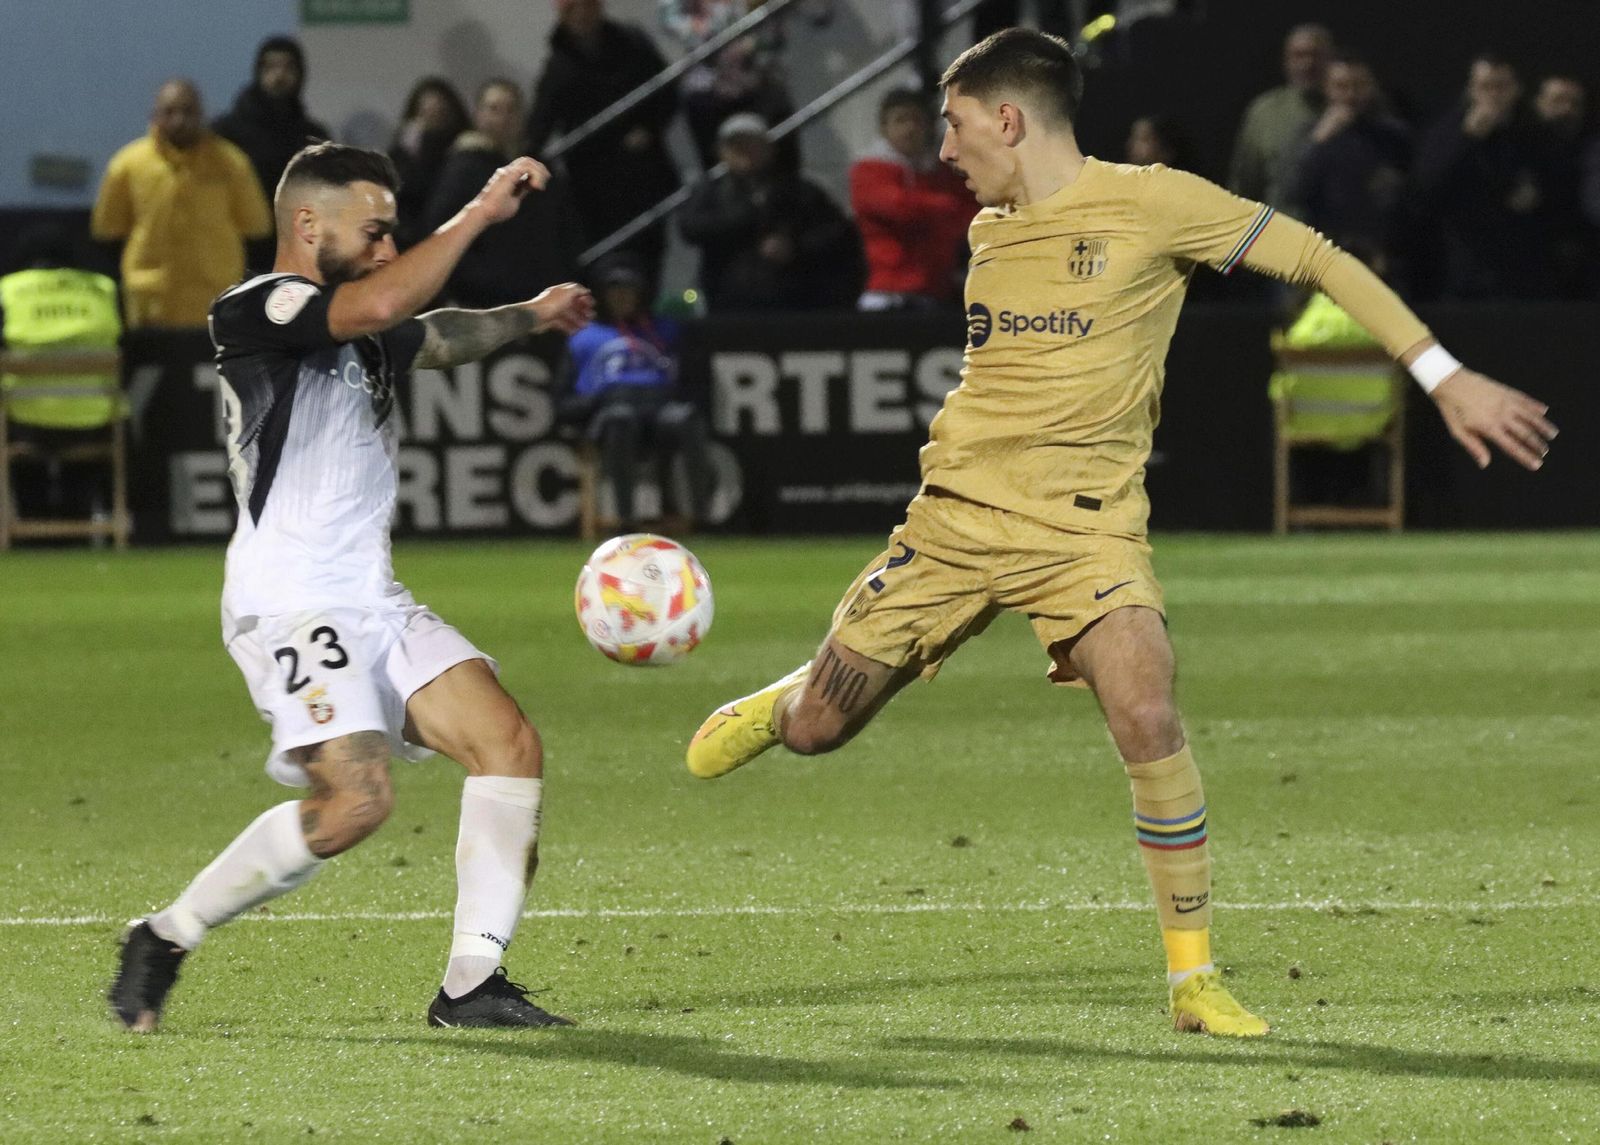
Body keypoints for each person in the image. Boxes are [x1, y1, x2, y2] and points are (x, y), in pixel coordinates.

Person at [684, 28, 1557, 1039]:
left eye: (955, 125)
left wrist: (1442, 376)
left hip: (1086, 533)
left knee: (1147, 709)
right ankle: (789, 695)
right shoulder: (987, 234)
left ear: (1008, 120)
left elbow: (1317, 257)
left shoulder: (1154, 203)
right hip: (957, 521)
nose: (944, 149)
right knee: (818, 732)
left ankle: (1193, 980)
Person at [106, 142, 595, 1033]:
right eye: (372, 230)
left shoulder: (362, 329)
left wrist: (529, 314)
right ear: (307, 225)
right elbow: (387, 300)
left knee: (509, 742)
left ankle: (471, 983)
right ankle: (165, 935)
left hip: (370, 593)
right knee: (356, 803)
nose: (383, 247)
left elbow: (438, 334)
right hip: (291, 598)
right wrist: (481, 211)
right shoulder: (258, 307)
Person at [525, 0, 682, 292]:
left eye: (588, 7)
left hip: (643, 173)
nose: (582, 15)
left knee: (647, 252)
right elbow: (541, 122)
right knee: (599, 260)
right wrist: (523, 165)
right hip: (592, 185)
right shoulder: (559, 63)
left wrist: (648, 128)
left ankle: (643, 328)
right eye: (573, 9)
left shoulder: (633, 45)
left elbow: (666, 91)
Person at [91, 79, 273, 329]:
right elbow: (107, 230)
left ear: (201, 114)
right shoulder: (128, 166)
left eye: (188, 111)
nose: (179, 120)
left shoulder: (231, 164)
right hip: (151, 302)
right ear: (154, 115)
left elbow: (257, 227)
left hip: (215, 301)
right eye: (169, 112)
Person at [562, 255, 715, 530]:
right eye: (614, 291)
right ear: (603, 295)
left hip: (659, 411)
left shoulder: (664, 330)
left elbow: (694, 383)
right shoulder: (583, 337)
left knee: (687, 417)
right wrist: (598, 401)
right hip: (611, 414)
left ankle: (701, 517)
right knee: (621, 419)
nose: (621, 297)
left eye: (628, 291)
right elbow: (561, 403)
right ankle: (626, 519)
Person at [424, 79, 585, 308]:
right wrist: (474, 285)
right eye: (494, 109)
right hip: (485, 305)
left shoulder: (541, 166)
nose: (503, 118)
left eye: (511, 109)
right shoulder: (462, 168)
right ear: (478, 115)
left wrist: (563, 277)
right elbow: (441, 232)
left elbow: (567, 225)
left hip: (544, 301)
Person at [679, 113, 862, 312]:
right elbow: (691, 228)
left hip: (794, 302)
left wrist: (794, 247)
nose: (744, 152)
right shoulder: (711, 192)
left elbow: (837, 233)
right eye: (735, 146)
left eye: (751, 144)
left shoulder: (800, 190)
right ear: (722, 153)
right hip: (729, 305)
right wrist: (747, 216)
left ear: (769, 148)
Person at [1414, 55, 1555, 299]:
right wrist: (1466, 140)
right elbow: (1426, 187)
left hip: (1522, 263)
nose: (1494, 95)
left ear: (1517, 89)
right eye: (1485, 87)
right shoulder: (1448, 131)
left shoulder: (1534, 132)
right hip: (1466, 261)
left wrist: (1537, 194)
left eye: (1501, 86)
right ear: (1471, 90)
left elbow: (1558, 183)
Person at [1284, 54, 1410, 280]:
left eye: (1358, 86)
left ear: (1371, 88)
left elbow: (1409, 199)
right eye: (1341, 87)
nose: (1350, 96)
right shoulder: (1311, 135)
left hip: (1381, 261)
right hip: (1326, 258)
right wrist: (1318, 143)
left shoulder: (1393, 138)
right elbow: (1293, 193)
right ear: (1327, 89)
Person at [851, 88, 977, 311]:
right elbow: (896, 206)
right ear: (884, 128)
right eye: (900, 120)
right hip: (887, 293)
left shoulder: (943, 173)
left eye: (917, 120)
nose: (909, 129)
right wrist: (942, 207)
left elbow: (969, 213)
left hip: (936, 292)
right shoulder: (868, 170)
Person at [212, 36, 331, 237]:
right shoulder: (227, 132)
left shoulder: (313, 136)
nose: (279, 75)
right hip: (239, 246)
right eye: (271, 67)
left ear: (300, 74)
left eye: (288, 67)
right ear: (258, 72)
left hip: (295, 244)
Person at [1228, 24, 1332, 207]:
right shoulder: (1265, 112)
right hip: (1281, 224)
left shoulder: (1349, 107)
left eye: (1315, 55)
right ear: (1286, 61)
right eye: (1299, 55)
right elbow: (1245, 181)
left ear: (1330, 59)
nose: (1307, 64)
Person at [388, 77, 471, 249]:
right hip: (408, 240)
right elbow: (399, 190)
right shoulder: (403, 152)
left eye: (440, 113)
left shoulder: (462, 153)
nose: (431, 122)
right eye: (425, 113)